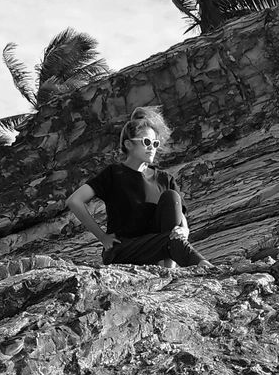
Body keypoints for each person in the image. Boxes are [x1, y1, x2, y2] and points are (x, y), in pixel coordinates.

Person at [66, 106, 209, 269]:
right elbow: (75, 201)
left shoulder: (164, 179)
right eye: (146, 142)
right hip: (124, 250)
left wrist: (185, 231)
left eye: (155, 143)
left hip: (158, 248)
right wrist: (102, 237)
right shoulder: (114, 174)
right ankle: (206, 267)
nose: (152, 147)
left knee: (171, 197)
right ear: (128, 144)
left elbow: (180, 216)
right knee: (171, 241)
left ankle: (170, 268)